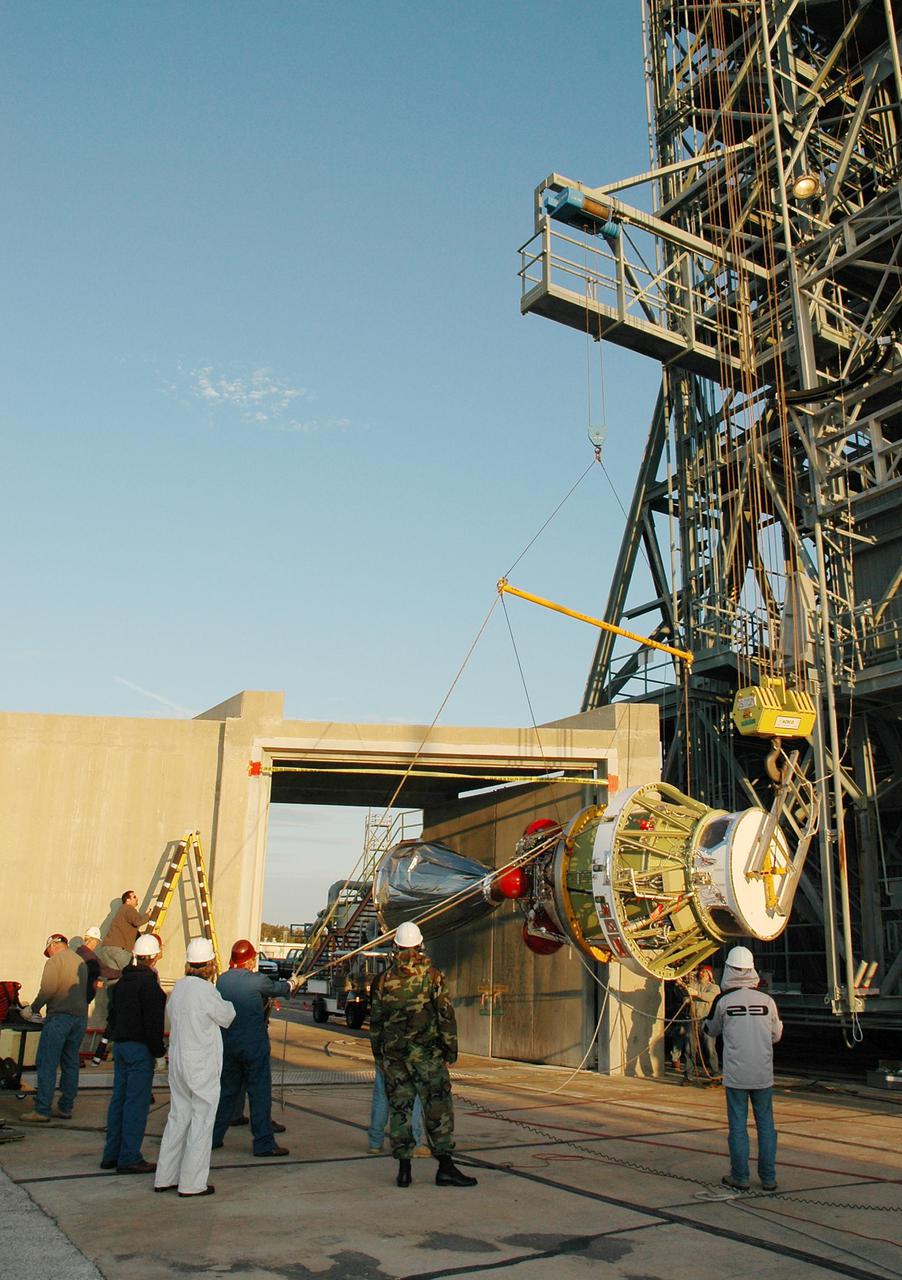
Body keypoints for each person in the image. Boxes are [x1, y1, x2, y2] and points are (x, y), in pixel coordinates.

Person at [369, 920, 476, 1189]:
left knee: (401, 1111)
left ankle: (404, 1170)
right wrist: (450, 1049)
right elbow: (445, 1016)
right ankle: (445, 1167)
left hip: (395, 1057)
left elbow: (376, 1022)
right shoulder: (433, 976)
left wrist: (379, 1056)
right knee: (437, 1108)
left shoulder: (383, 980)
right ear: (420, 945)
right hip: (427, 1056)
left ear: (395, 946)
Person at [154, 938, 235, 1197]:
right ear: (210, 964)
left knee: (178, 1116)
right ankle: (191, 1183)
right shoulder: (206, 991)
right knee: (202, 1120)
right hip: (200, 1063)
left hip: (178, 1060)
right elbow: (226, 1016)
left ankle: (164, 1177)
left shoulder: (178, 988)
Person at [704, 944, 782, 1192]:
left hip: (736, 1075)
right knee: (766, 1127)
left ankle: (740, 1176)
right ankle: (768, 1178)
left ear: (728, 970)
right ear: (752, 970)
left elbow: (711, 1030)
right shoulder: (767, 1001)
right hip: (762, 1074)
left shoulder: (724, 1000)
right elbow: (776, 1035)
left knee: (738, 1127)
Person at [210, 939, 298, 1157]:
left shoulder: (222, 981)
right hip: (253, 1045)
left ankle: (212, 1137)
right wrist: (293, 983)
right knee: (259, 1093)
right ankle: (264, 1142)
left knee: (227, 1092)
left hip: (228, 1044)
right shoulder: (257, 981)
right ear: (249, 960)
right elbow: (279, 988)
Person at [100, 933, 166, 1174]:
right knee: (136, 1104)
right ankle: (129, 1157)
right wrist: (159, 1054)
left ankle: (111, 1155)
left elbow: (112, 1015)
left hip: (121, 1046)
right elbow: (153, 1025)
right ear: (154, 956)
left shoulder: (121, 984)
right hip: (140, 1049)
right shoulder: (150, 987)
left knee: (119, 1100)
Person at [19, 934, 89, 1123]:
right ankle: (66, 1107)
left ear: (54, 945)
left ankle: (42, 1109)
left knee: (47, 1063)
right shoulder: (80, 961)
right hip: (80, 1019)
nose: (48, 954)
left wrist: (31, 1009)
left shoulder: (55, 961)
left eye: (48, 950)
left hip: (59, 1017)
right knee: (70, 1063)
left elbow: (47, 990)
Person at [368, 1065, 429, 1156]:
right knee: (413, 1098)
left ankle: (375, 1143)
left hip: (385, 1059)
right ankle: (414, 1141)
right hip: (409, 1062)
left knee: (381, 1097)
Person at [682, 964, 720, 1081]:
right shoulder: (694, 986)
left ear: (709, 975)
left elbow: (710, 997)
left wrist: (696, 994)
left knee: (710, 1048)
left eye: (704, 972)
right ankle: (689, 1075)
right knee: (689, 1048)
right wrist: (687, 999)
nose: (701, 973)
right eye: (701, 971)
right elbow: (685, 997)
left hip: (706, 1021)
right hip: (693, 1020)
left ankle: (715, 1074)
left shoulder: (714, 987)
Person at [102, 890, 149, 972]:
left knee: (114, 977)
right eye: (134, 897)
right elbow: (138, 921)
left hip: (107, 949)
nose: (137, 898)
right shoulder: (128, 908)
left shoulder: (121, 911)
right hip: (119, 950)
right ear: (128, 900)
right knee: (129, 974)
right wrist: (148, 916)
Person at [76, 927, 119, 1015]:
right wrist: (122, 973)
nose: (96, 944)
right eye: (96, 942)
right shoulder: (89, 955)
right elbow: (103, 970)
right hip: (82, 998)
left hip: (77, 995)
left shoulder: (79, 952)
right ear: (91, 940)